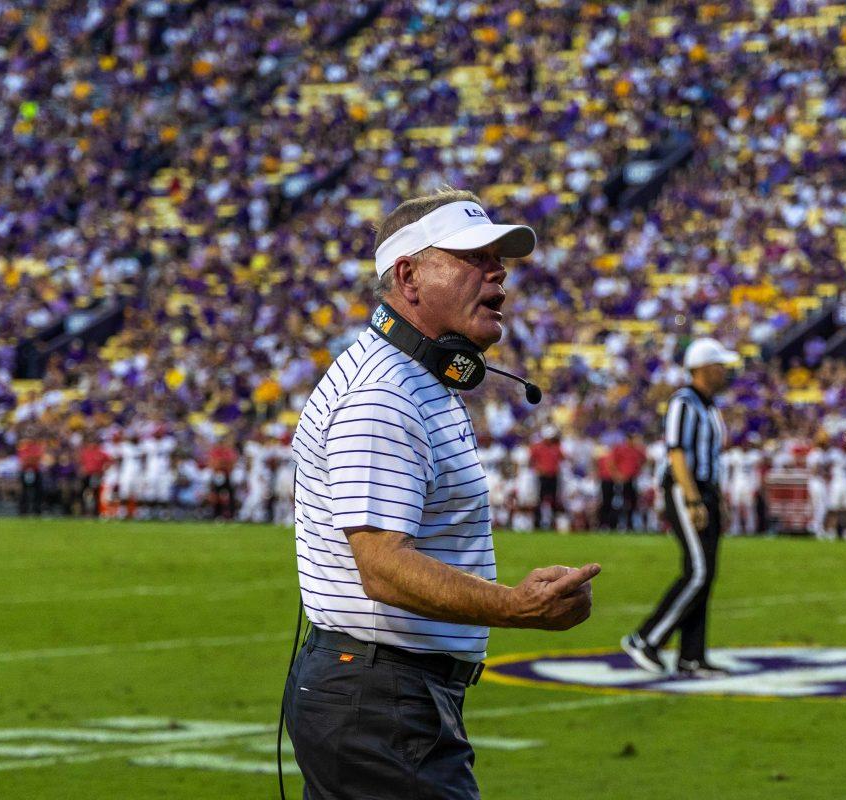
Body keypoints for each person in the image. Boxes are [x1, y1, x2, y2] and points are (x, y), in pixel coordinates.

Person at [283, 189, 600, 800]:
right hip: (379, 699)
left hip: (381, 695)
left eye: (498, 258)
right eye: (472, 257)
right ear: (407, 276)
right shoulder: (385, 393)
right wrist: (514, 606)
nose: (497, 271)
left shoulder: (416, 378)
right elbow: (382, 567)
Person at [621, 337, 737, 678]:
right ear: (702, 368)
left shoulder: (710, 406)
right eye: (720, 365)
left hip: (705, 489)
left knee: (705, 574)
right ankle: (646, 639)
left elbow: (711, 458)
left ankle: (692, 656)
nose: (725, 371)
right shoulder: (684, 402)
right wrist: (692, 497)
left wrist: (717, 498)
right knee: (698, 572)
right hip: (685, 488)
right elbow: (676, 452)